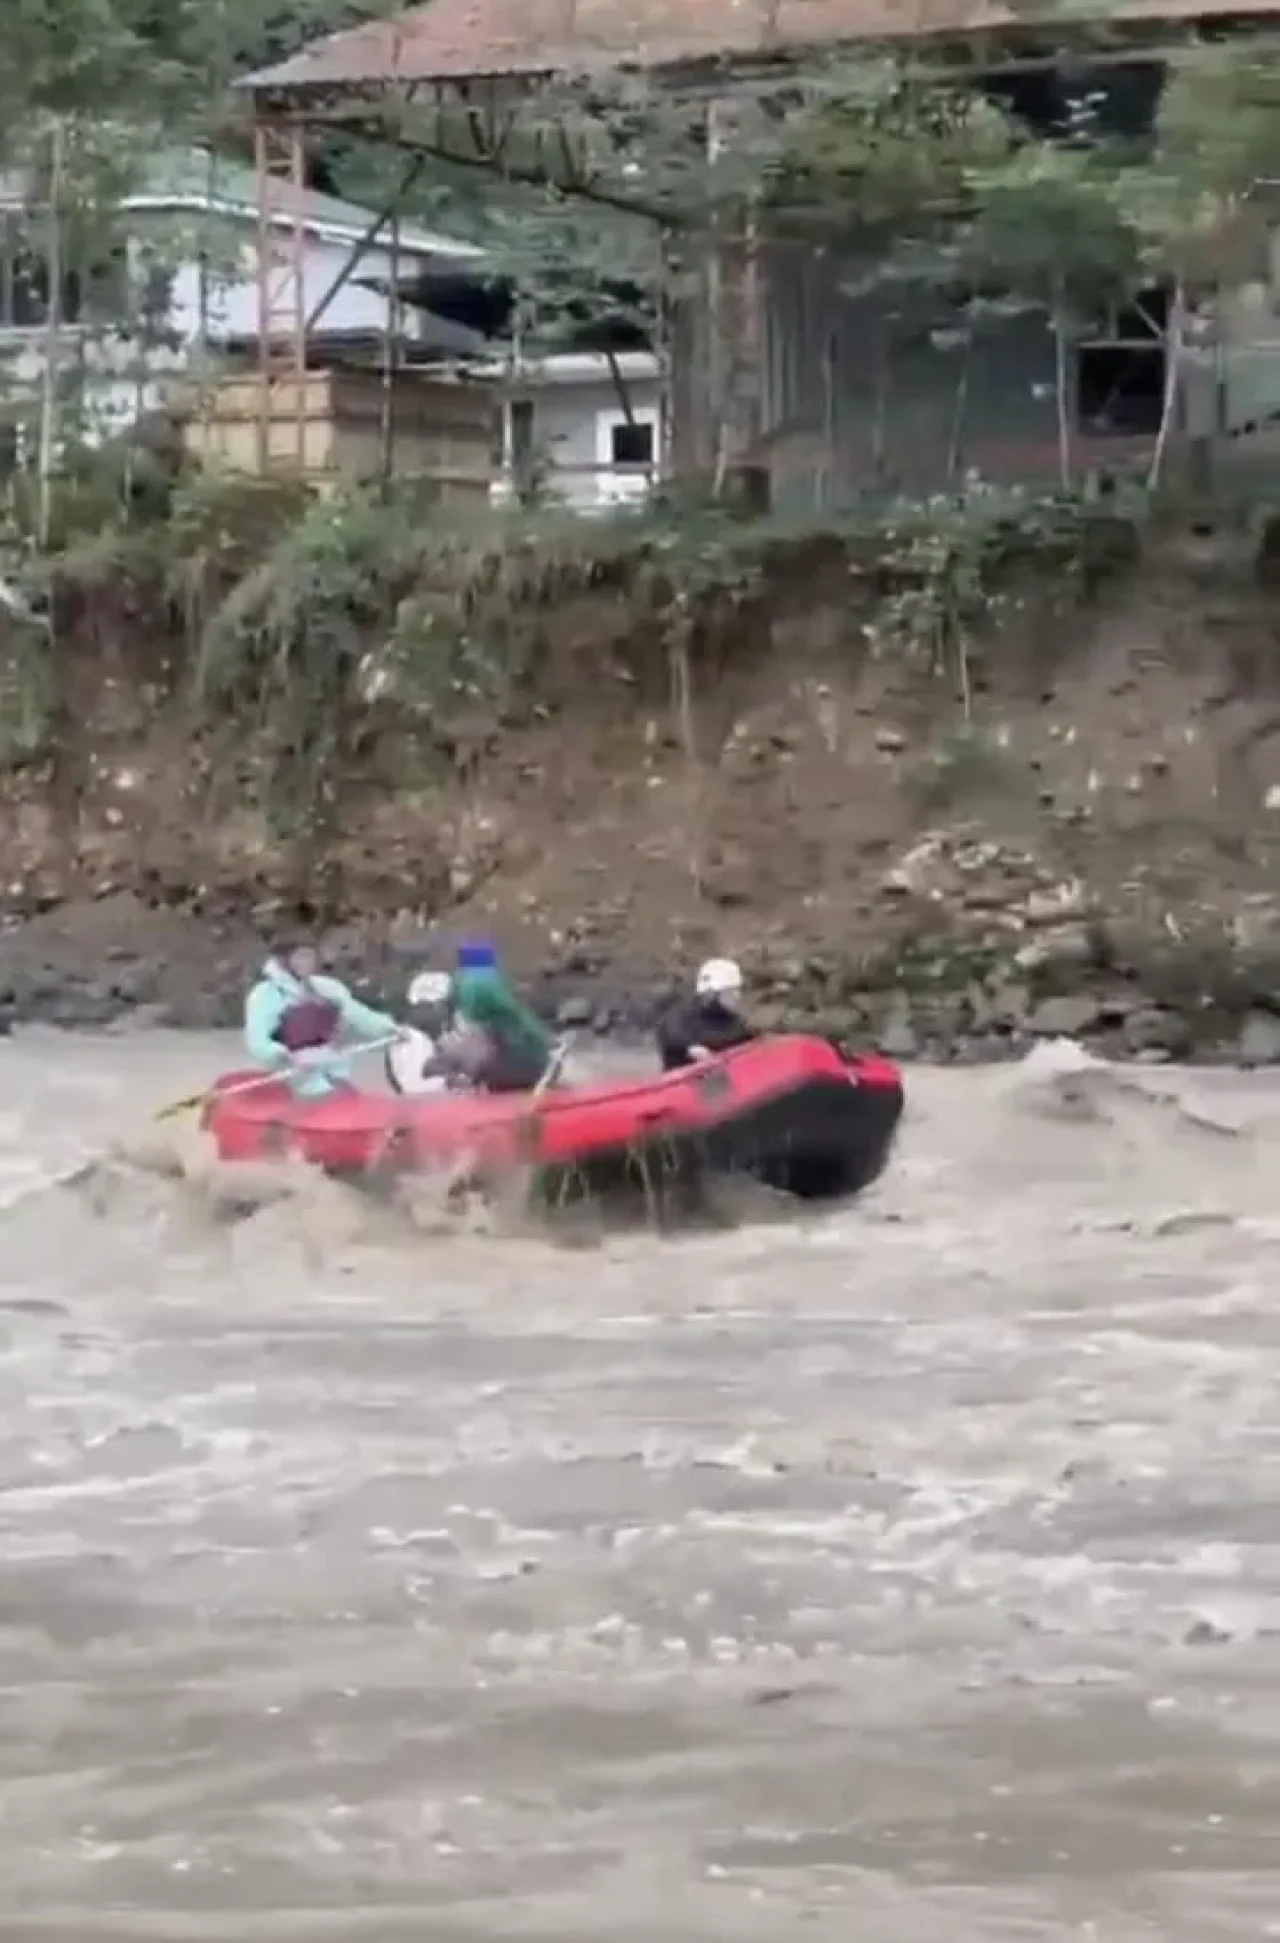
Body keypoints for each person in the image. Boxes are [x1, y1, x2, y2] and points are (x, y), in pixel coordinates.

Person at [243, 938, 403, 1101]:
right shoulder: (264, 995)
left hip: (331, 1069)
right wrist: (285, 1056)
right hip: (292, 1074)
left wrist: (391, 1029)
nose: (308, 962)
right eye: (301, 957)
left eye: (311, 957)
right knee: (324, 1098)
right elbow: (257, 1040)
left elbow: (359, 1014)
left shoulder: (327, 988)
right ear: (283, 960)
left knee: (347, 1100)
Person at [451, 938, 556, 1093]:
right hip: (510, 1059)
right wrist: (548, 1039)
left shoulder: (461, 982)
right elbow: (517, 1014)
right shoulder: (485, 984)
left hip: (479, 1055)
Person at [657, 956, 756, 1071]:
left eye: (738, 990)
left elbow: (750, 1047)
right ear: (713, 994)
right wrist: (689, 1048)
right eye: (731, 991)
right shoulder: (679, 1017)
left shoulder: (736, 1023)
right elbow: (669, 1034)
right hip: (686, 1080)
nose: (737, 996)